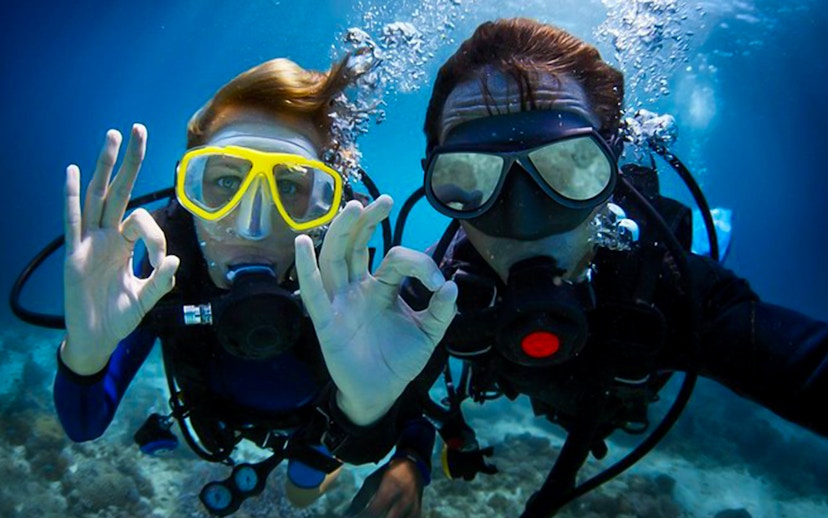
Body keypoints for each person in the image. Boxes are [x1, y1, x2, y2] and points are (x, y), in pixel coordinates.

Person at [398, 17, 828, 517]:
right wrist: (405, 451)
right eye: (468, 176)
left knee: (706, 249)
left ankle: (716, 229)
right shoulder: (435, 291)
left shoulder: (668, 286)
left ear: (611, 166)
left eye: (569, 166)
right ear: (438, 182)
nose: (524, 221)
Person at [54, 55, 457, 517]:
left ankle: (315, 473)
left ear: (329, 207)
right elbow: (84, 423)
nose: (252, 227)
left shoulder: (349, 274)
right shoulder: (166, 264)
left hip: (317, 428)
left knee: (301, 489)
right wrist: (85, 354)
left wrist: (390, 438)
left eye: (290, 189)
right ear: (191, 192)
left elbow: (411, 398)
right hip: (219, 419)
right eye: (226, 181)